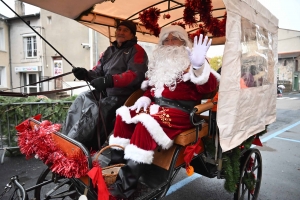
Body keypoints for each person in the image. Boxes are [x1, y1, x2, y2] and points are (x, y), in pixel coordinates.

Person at [108, 25, 220, 198]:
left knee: (146, 124)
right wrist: (145, 97)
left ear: (183, 42)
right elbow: (152, 89)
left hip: (182, 112)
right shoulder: (159, 64)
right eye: (166, 40)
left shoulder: (192, 61)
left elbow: (210, 85)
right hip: (156, 106)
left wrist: (199, 66)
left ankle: (126, 187)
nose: (169, 43)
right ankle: (113, 172)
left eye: (174, 38)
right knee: (123, 115)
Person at [63, 20, 148, 150]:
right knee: (82, 98)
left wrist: (110, 80)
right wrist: (85, 74)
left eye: (125, 30)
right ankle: (65, 138)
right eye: (119, 29)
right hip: (106, 93)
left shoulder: (137, 50)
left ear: (132, 34)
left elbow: (135, 75)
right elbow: (97, 72)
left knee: (97, 109)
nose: (121, 32)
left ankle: (77, 147)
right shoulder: (110, 50)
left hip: (124, 96)